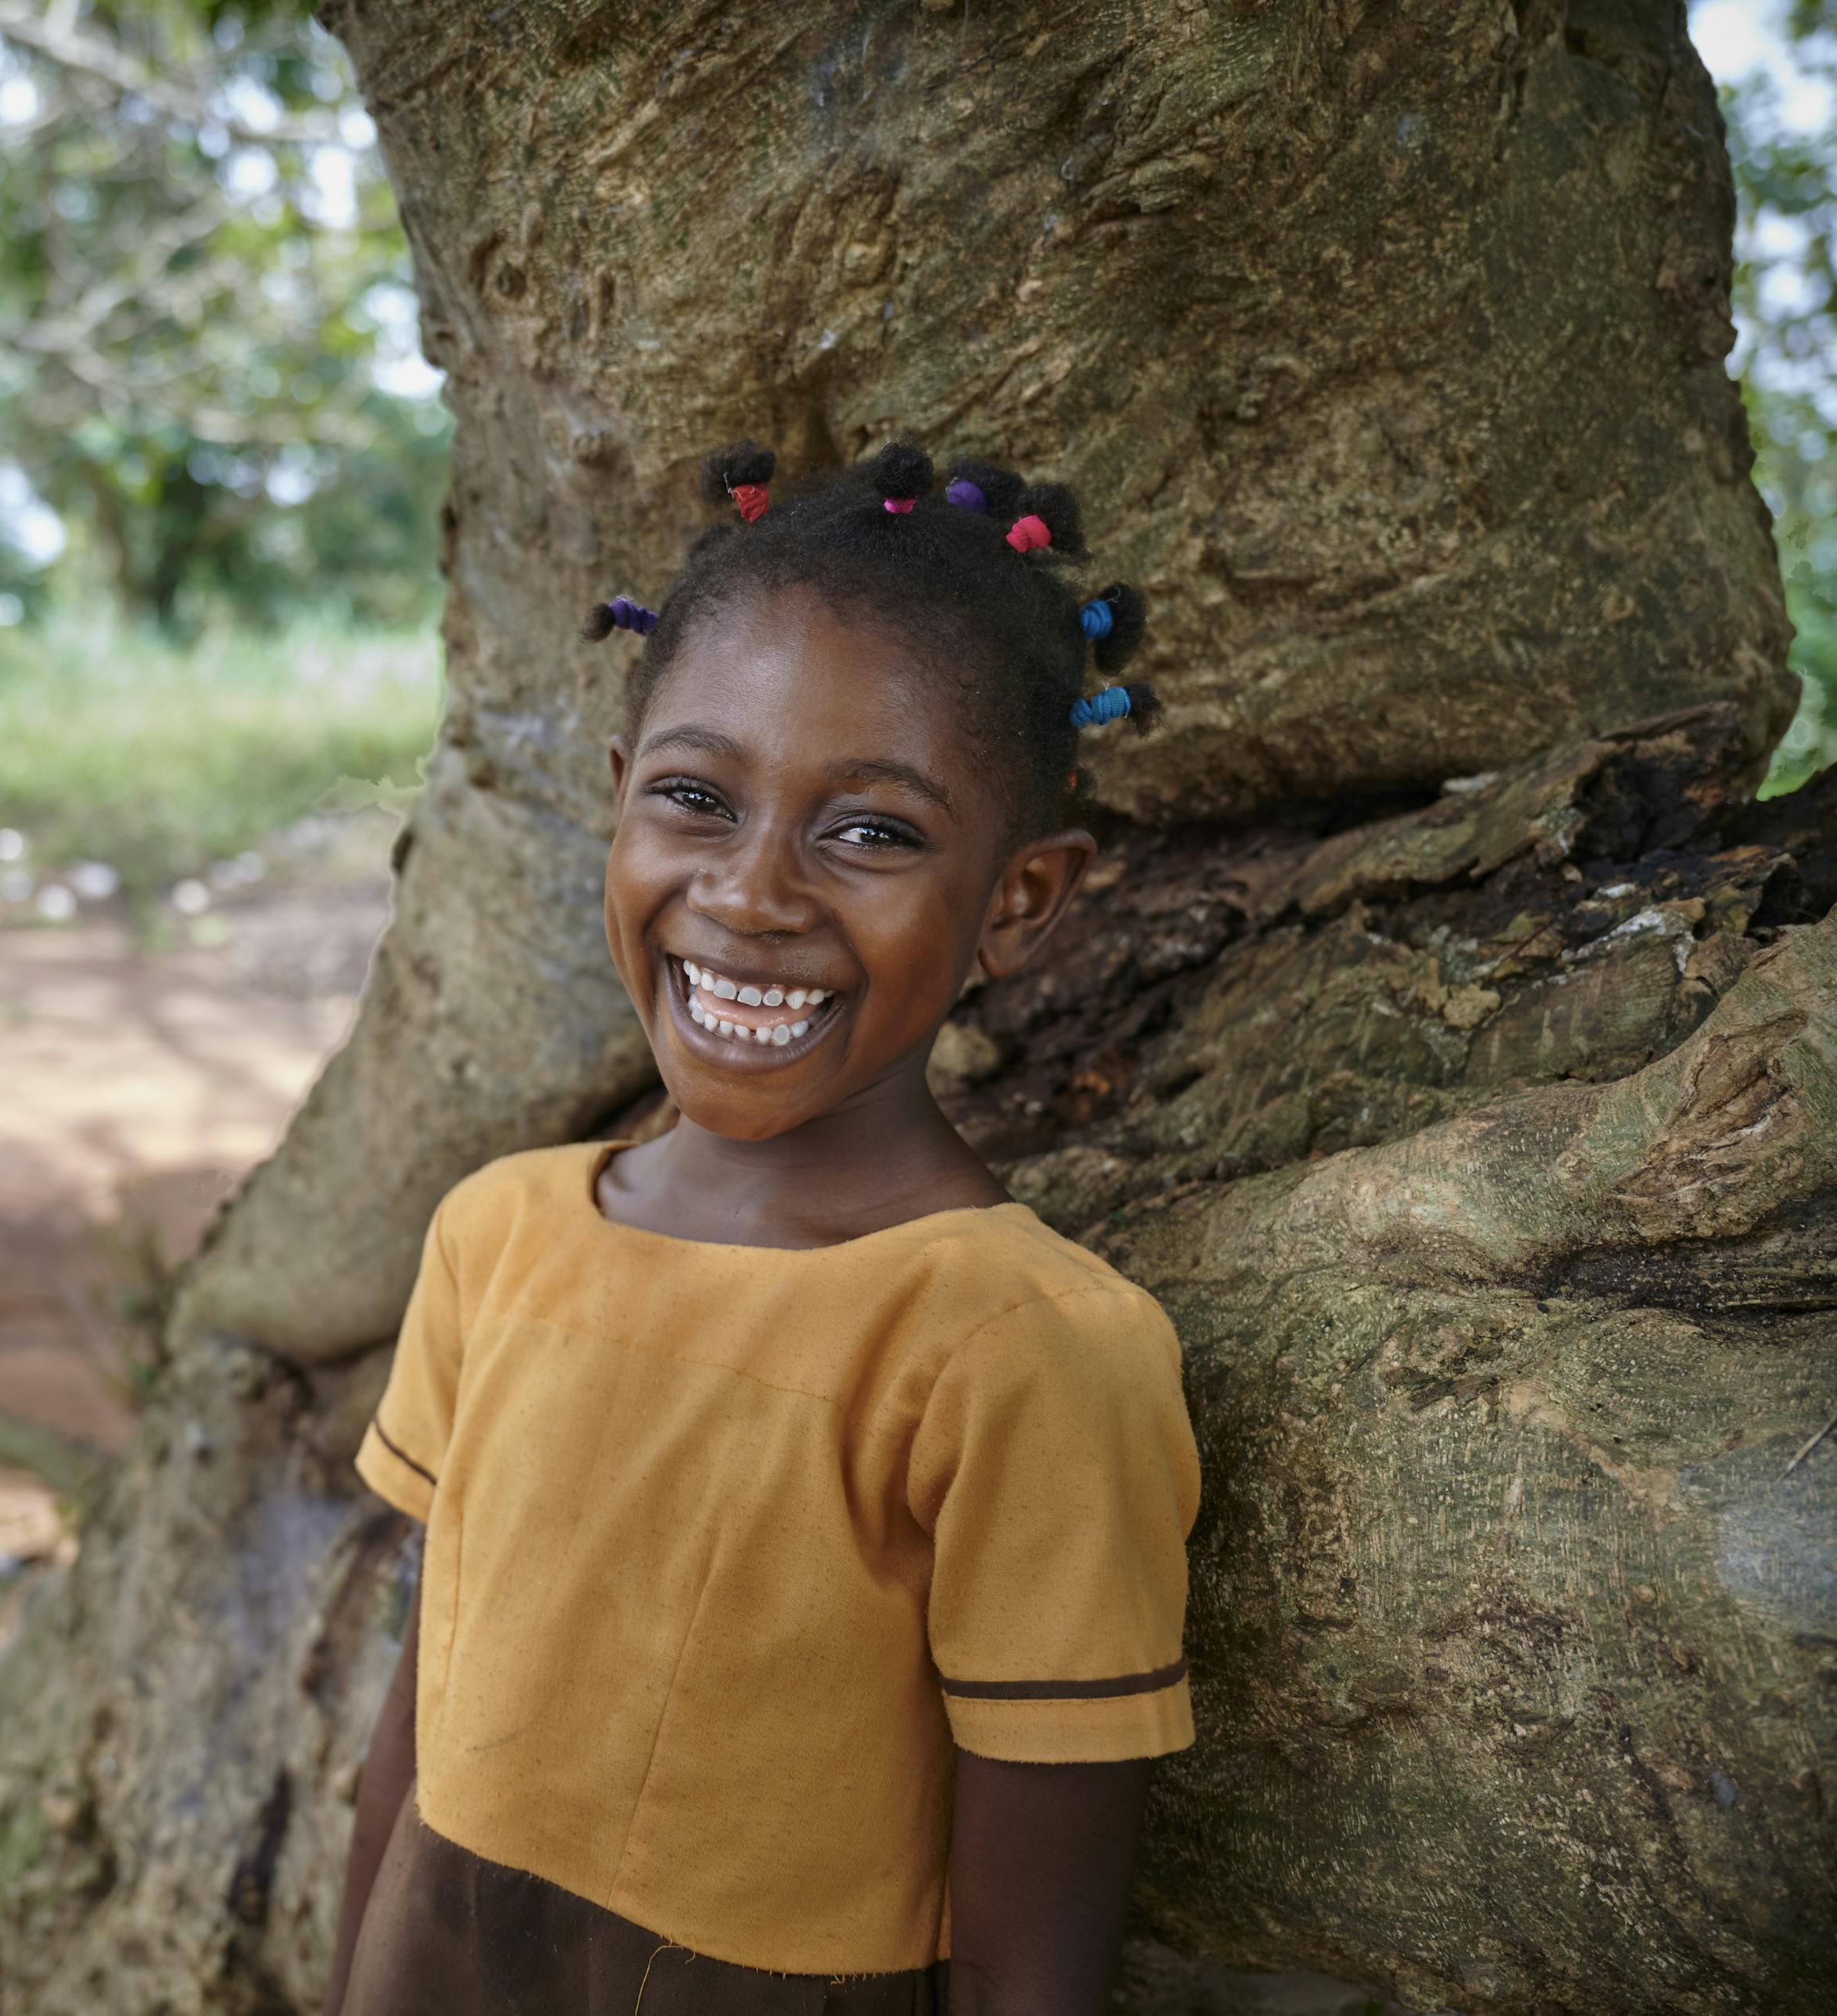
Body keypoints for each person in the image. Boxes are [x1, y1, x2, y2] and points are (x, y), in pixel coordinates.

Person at [323, 442, 1198, 2016]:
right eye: (695, 798)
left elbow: (1035, 1946)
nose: (749, 892)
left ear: (1022, 896)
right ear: (616, 803)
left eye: (870, 831)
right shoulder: (498, 1231)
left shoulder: (1024, 1348)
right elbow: (417, 1713)